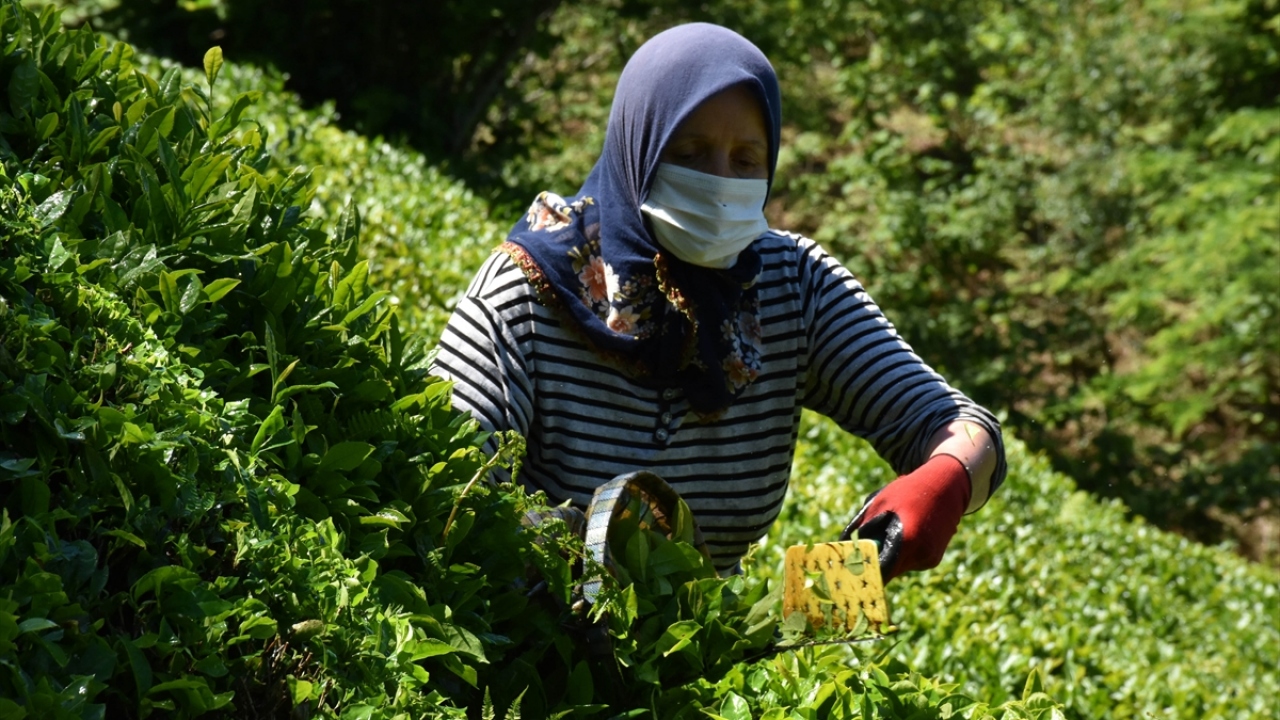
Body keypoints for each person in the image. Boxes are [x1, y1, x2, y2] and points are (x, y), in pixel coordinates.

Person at [431, 22, 1005, 581]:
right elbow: (444, 489)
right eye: (691, 150)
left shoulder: (790, 286)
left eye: (745, 160)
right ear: (640, 145)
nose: (718, 179)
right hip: (523, 642)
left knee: (833, 601)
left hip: (703, 654)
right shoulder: (530, 289)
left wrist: (946, 479)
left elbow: (958, 424)